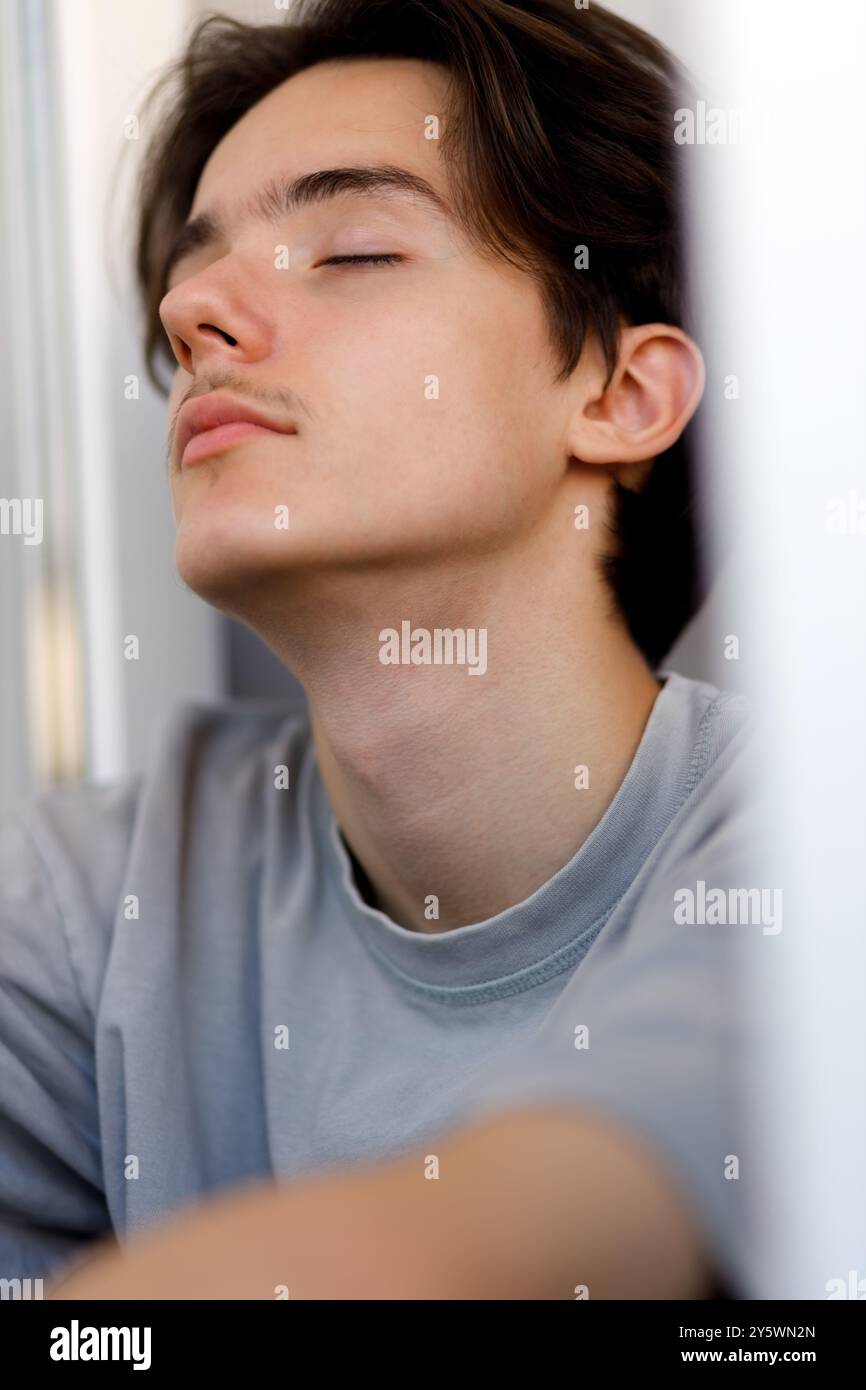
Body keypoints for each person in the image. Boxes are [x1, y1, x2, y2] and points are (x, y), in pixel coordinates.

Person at [0, 0, 760, 1299]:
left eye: (348, 247)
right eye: (194, 272)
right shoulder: (99, 901)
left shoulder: (799, 841)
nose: (192, 313)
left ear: (619, 395)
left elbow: (578, 1216)